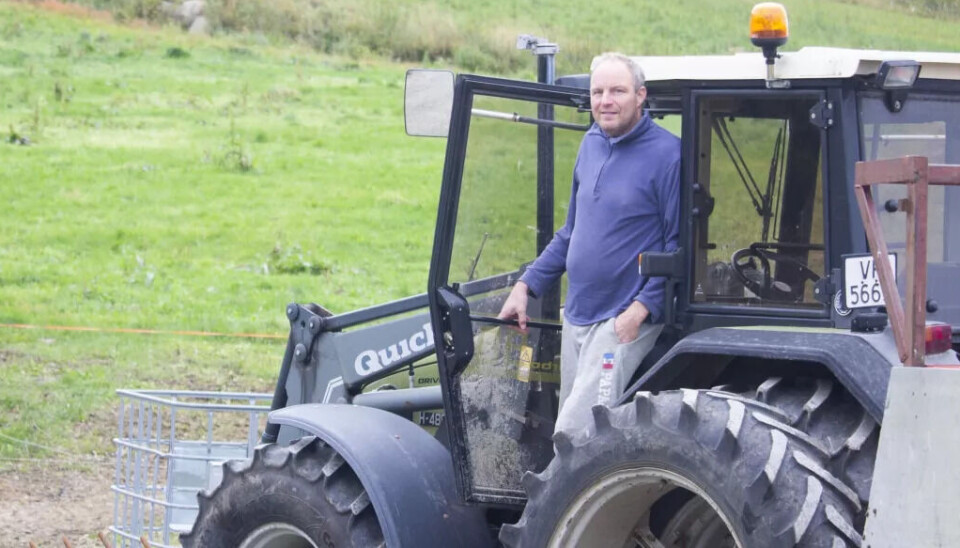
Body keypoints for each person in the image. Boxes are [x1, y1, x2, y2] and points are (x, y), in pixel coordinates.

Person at [497, 52, 681, 434]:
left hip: (620, 322)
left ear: (640, 95)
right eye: (598, 92)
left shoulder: (668, 155)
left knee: (574, 435)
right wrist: (525, 286)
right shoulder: (592, 143)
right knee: (572, 439)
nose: (605, 101)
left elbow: (679, 247)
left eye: (617, 91)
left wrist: (639, 311)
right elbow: (571, 232)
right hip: (577, 315)